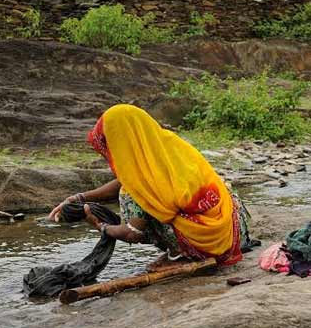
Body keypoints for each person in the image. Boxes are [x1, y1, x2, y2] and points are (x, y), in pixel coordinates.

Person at [49, 104, 250, 267]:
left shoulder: (140, 188)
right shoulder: (169, 145)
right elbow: (129, 178)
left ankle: (180, 252)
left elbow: (132, 234)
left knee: (129, 196)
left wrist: (101, 226)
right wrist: (79, 198)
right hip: (233, 228)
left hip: (208, 244)